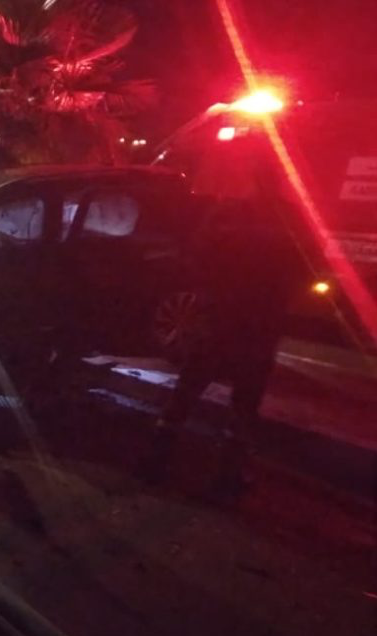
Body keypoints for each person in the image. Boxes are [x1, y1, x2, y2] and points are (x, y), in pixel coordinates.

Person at [142, 134, 314, 496]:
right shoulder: (292, 222)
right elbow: (307, 271)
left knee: (186, 393)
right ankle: (226, 479)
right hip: (259, 326)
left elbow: (196, 256)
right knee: (244, 404)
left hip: (219, 319)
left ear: (253, 176)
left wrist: (211, 292)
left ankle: (154, 463)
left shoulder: (228, 213)